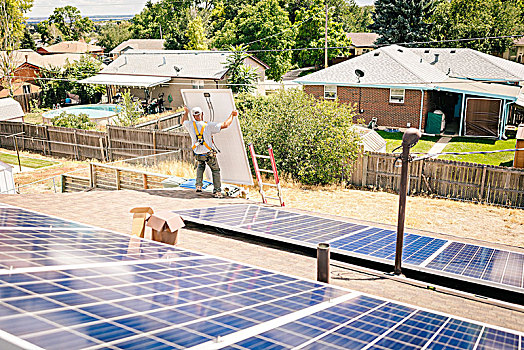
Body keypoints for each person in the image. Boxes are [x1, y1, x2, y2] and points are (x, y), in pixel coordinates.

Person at [182, 106, 238, 198]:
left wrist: (186, 112)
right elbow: (225, 125)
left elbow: (183, 121)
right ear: (202, 114)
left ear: (193, 116)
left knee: (201, 165)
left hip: (198, 153)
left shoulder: (189, 124)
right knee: (215, 170)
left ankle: (198, 185)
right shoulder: (208, 125)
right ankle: (217, 191)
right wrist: (232, 115)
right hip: (208, 153)